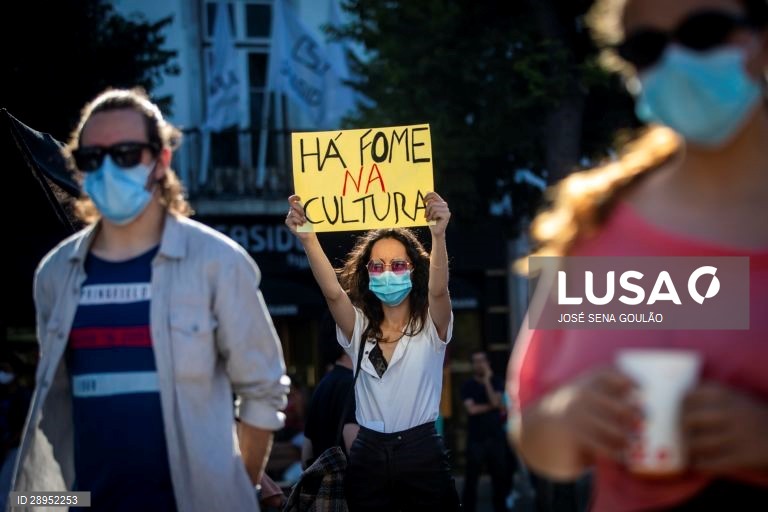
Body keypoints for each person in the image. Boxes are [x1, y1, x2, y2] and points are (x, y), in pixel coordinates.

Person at [507, 0, 768, 510]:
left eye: (705, 31)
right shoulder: (598, 223)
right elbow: (536, 433)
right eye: (646, 48)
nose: (675, 60)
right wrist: (568, 417)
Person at [11, 87, 289, 512]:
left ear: (161, 162)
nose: (108, 168)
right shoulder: (54, 273)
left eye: (125, 154)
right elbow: (57, 409)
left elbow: (264, 391)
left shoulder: (219, 263)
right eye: (91, 158)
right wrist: (47, 501)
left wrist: (233, 493)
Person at [286, 191, 460, 511]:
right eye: (377, 266)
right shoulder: (360, 328)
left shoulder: (431, 326)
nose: (387, 273)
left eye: (397, 264)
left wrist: (438, 233)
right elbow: (333, 294)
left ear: (413, 269)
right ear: (367, 274)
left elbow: (439, 290)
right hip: (368, 456)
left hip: (421, 452)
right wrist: (309, 239)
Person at [302, 313, 360, 469]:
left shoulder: (322, 385)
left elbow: (306, 455)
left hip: (323, 488)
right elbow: (354, 447)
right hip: (349, 489)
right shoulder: (354, 385)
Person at [461, 351, 509, 512]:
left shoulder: (496, 381)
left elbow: (497, 401)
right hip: (476, 440)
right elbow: (472, 410)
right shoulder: (468, 385)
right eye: (475, 361)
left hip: (496, 439)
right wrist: (493, 406)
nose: (479, 364)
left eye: (482, 361)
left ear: (488, 363)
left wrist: (487, 380)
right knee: (471, 481)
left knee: (500, 480)